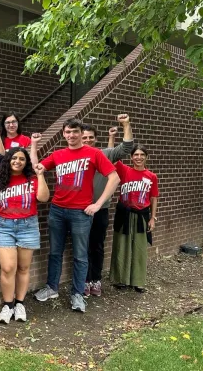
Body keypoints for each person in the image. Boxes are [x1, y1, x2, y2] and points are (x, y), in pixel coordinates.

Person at [34, 118, 119, 313]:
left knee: (81, 255)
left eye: (75, 132)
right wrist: (34, 149)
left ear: (81, 133)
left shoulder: (94, 153)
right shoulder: (58, 154)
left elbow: (114, 178)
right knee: (55, 252)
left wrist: (98, 204)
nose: (71, 135)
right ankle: (52, 288)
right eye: (68, 132)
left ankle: (78, 294)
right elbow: (38, 167)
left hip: (81, 213)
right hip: (57, 210)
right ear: (63, 134)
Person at [0, 145, 49, 323]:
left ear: (26, 162)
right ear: (8, 160)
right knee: (7, 268)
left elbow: (43, 198)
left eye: (22, 159)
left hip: (28, 226)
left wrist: (40, 175)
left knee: (23, 268)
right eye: (14, 158)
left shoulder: (32, 179)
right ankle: (8, 305)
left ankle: (20, 303)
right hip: (4, 227)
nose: (18, 161)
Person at [81, 114, 133, 297]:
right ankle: (84, 281)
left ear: (95, 139)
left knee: (97, 246)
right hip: (79, 211)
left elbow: (126, 147)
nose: (87, 140)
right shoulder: (74, 157)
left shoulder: (103, 154)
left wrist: (126, 124)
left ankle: (95, 280)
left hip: (100, 210)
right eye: (84, 137)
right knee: (82, 248)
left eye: (90, 138)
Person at [109, 145, 159, 292]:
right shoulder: (124, 170)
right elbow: (112, 156)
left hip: (141, 215)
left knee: (139, 248)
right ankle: (121, 279)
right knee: (121, 246)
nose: (139, 157)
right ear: (131, 157)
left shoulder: (151, 176)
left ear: (146, 157)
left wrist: (153, 218)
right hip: (124, 214)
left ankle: (137, 281)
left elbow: (154, 197)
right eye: (136, 154)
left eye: (142, 154)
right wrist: (111, 138)